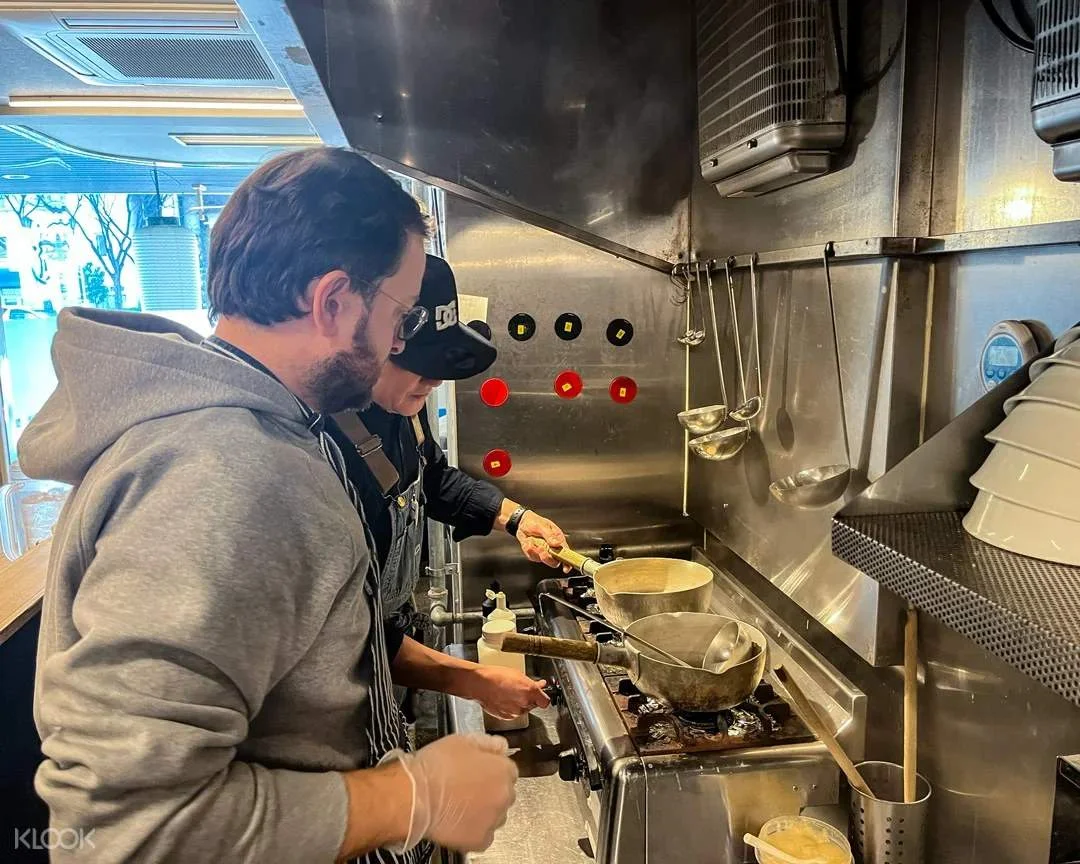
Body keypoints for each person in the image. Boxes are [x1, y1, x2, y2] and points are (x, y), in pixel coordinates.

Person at [18, 147, 518, 863]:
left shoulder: (256, 438)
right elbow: (122, 834)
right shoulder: (225, 475)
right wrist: (415, 797)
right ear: (334, 301)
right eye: (399, 315)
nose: (399, 343)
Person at [326, 254, 567, 722]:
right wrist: (473, 680)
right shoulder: (324, 449)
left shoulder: (404, 410)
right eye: (420, 364)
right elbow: (345, 632)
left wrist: (516, 519)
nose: (435, 379)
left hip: (395, 657)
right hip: (347, 684)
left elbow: (432, 479)